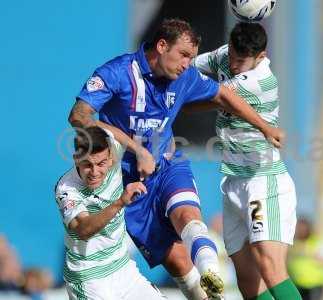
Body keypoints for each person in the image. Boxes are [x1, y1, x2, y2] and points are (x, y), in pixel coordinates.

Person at [68, 19, 284, 299]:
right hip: (127, 181)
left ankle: (210, 269)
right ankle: (206, 291)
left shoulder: (184, 76)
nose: (187, 64)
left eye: (192, 58)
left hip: (168, 164)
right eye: (183, 55)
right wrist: (136, 149)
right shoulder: (117, 72)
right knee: (178, 262)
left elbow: (223, 96)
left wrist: (265, 127)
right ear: (161, 46)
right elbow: (79, 116)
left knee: (187, 215)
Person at [187, 22, 302, 300]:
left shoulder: (259, 82)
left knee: (270, 266)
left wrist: (171, 94)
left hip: (263, 181)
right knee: (247, 279)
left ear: (260, 57)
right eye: (233, 58)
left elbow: (203, 99)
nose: (235, 65)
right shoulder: (227, 54)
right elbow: (190, 65)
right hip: (234, 180)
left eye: (242, 61)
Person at [55, 126, 165, 300]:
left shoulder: (114, 149)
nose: (94, 172)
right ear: (76, 159)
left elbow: (111, 130)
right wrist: (120, 202)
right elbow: (83, 230)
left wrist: (140, 152)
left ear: (111, 157)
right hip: (88, 278)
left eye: (100, 164)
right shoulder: (66, 188)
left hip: (123, 268)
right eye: (87, 165)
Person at [288, 218, 323, 300]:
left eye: (302, 228)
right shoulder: (293, 242)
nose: (300, 230)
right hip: (297, 284)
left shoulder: (319, 241)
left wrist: (307, 251)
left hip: (315, 285)